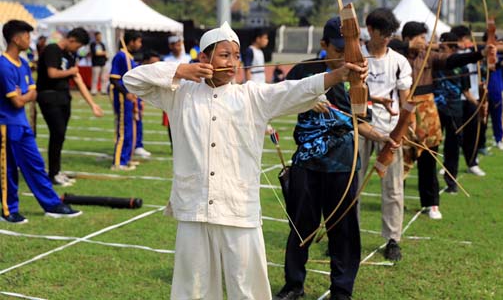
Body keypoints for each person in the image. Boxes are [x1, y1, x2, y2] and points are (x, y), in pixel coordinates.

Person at [122, 21, 367, 300]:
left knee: (247, 289)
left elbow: (294, 89)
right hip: (193, 207)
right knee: (194, 288)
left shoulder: (251, 96)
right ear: (204, 58)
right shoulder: (180, 94)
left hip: (238, 209)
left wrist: (339, 74)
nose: (232, 62)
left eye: (236, 56)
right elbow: (131, 79)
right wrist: (180, 70)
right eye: (224, 55)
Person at [274, 17, 396, 300]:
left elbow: (358, 122)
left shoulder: (356, 77)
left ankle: (342, 289)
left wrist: (382, 137)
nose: (345, 56)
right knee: (300, 227)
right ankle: (294, 285)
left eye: (350, 49)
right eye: (339, 49)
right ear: (324, 45)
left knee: (343, 230)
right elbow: (274, 99)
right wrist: (303, 98)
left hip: (343, 164)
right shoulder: (305, 70)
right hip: (307, 162)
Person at [401, 22, 492, 217]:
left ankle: (431, 203)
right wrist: (408, 48)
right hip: (402, 110)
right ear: (410, 39)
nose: (425, 42)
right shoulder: (396, 55)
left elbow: (451, 60)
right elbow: (391, 46)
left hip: (426, 110)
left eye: (426, 38)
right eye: (422, 38)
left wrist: (479, 54)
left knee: (429, 157)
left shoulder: (429, 56)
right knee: (402, 159)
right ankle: (396, 201)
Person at [0, 20, 82, 223]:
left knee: (35, 164)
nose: (29, 39)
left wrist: (24, 95)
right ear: (15, 38)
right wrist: (24, 95)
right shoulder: (3, 65)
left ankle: (52, 205)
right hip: (6, 124)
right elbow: (18, 101)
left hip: (22, 124)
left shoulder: (25, 63)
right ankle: (8, 210)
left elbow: (32, 93)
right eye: (26, 36)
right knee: (8, 169)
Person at [357, 8, 412, 261]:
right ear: (371, 30)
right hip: (359, 128)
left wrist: (404, 126)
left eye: (391, 34)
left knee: (392, 187)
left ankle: (393, 239)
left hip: (389, 132)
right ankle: (348, 236)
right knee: (351, 185)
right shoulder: (357, 55)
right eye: (383, 33)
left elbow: (405, 100)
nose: (387, 38)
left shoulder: (399, 62)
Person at [37, 27, 104, 186]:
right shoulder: (52, 50)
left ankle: (57, 171)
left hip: (64, 98)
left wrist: (92, 104)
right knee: (57, 133)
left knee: (60, 135)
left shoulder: (70, 55)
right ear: (71, 39)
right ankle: (53, 173)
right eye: (78, 46)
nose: (78, 50)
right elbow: (52, 73)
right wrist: (71, 71)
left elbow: (78, 79)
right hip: (49, 96)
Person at [433, 32, 472, 194]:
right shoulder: (434, 62)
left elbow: (466, 91)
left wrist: (478, 104)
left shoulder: (461, 66)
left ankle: (451, 181)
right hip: (435, 109)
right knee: (431, 147)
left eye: (446, 47)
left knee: (452, 148)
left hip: (455, 110)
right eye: (440, 46)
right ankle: (430, 184)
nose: (443, 50)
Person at [450, 25, 487, 176]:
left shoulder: (473, 52)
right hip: (456, 99)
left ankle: (472, 162)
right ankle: (449, 165)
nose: (469, 41)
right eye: (466, 38)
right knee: (455, 135)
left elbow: (487, 52)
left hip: (472, 97)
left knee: (472, 132)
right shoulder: (450, 54)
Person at [110, 31, 142, 170]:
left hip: (131, 98)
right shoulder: (120, 56)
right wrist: (126, 93)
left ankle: (126, 158)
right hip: (123, 98)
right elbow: (114, 79)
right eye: (138, 41)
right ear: (131, 41)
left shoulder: (130, 58)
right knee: (124, 130)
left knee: (131, 129)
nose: (140, 45)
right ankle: (119, 162)